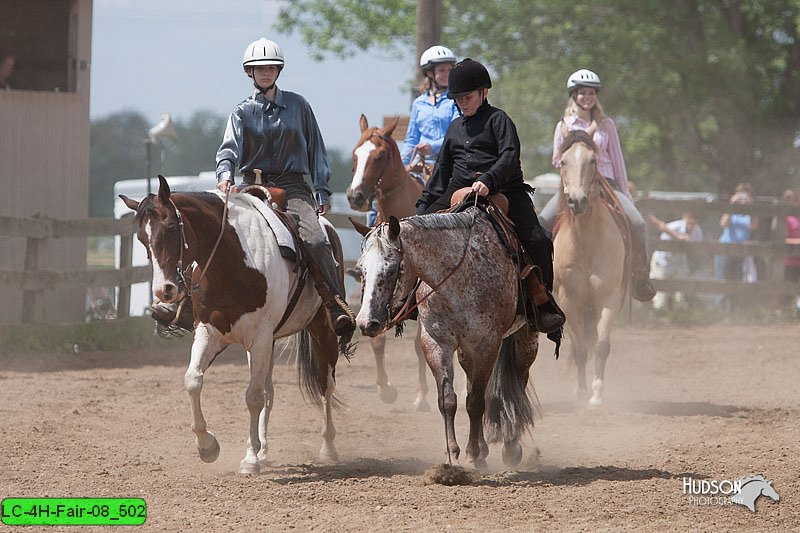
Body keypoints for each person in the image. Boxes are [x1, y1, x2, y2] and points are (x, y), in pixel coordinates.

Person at [215, 37, 355, 345]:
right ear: (249, 73)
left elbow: (317, 149)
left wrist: (321, 191)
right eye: (258, 68)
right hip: (250, 185)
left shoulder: (299, 106)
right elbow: (228, 150)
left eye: (270, 67)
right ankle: (198, 306)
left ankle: (335, 304)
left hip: (292, 187)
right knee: (216, 234)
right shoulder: (241, 112)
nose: (265, 73)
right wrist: (225, 174)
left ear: (279, 70)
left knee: (317, 239)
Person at [415, 58, 565, 334]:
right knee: (414, 232)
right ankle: (408, 300)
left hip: (505, 189)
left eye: (467, 97)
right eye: (457, 99)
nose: (462, 103)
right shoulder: (454, 129)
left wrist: (489, 179)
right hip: (457, 189)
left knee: (538, 239)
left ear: (484, 92)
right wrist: (422, 208)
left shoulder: (499, 120)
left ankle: (544, 304)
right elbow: (442, 171)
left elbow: (509, 156)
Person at [538, 69, 656, 302]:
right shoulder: (564, 125)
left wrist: (624, 192)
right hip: (573, 185)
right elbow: (555, 159)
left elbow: (617, 159)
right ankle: (541, 280)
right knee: (542, 221)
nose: (587, 97)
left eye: (591, 92)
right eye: (582, 93)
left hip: (607, 183)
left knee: (638, 222)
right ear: (574, 95)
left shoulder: (605, 124)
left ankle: (640, 275)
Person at [362, 45, 459, 228]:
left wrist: (432, 147)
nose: (447, 73)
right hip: (418, 160)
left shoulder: (456, 100)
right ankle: (371, 233)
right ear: (429, 73)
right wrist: (404, 163)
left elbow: (455, 134)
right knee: (380, 193)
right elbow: (411, 138)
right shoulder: (419, 103)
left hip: (448, 159)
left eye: (449, 69)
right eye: (442, 70)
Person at [647, 211, 704, 310]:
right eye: (689, 220)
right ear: (684, 219)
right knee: (661, 292)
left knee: (681, 290)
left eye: (694, 220)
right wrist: (678, 236)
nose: (692, 223)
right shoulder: (675, 226)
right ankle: (659, 313)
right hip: (663, 261)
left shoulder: (697, 231)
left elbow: (696, 249)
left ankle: (679, 314)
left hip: (680, 261)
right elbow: (661, 226)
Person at [715, 183, 758, 283]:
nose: (743, 199)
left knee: (738, 279)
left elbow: (754, 226)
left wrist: (752, 207)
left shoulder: (749, 215)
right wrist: (732, 204)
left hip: (740, 250)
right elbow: (723, 223)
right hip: (725, 248)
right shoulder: (731, 211)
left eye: (746, 196)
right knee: (722, 278)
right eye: (741, 195)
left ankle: (735, 299)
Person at [781, 189, 800, 312]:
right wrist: (797, 242)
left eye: (793, 199)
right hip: (791, 259)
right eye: (788, 199)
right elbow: (782, 240)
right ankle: (790, 310)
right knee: (790, 285)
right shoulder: (785, 219)